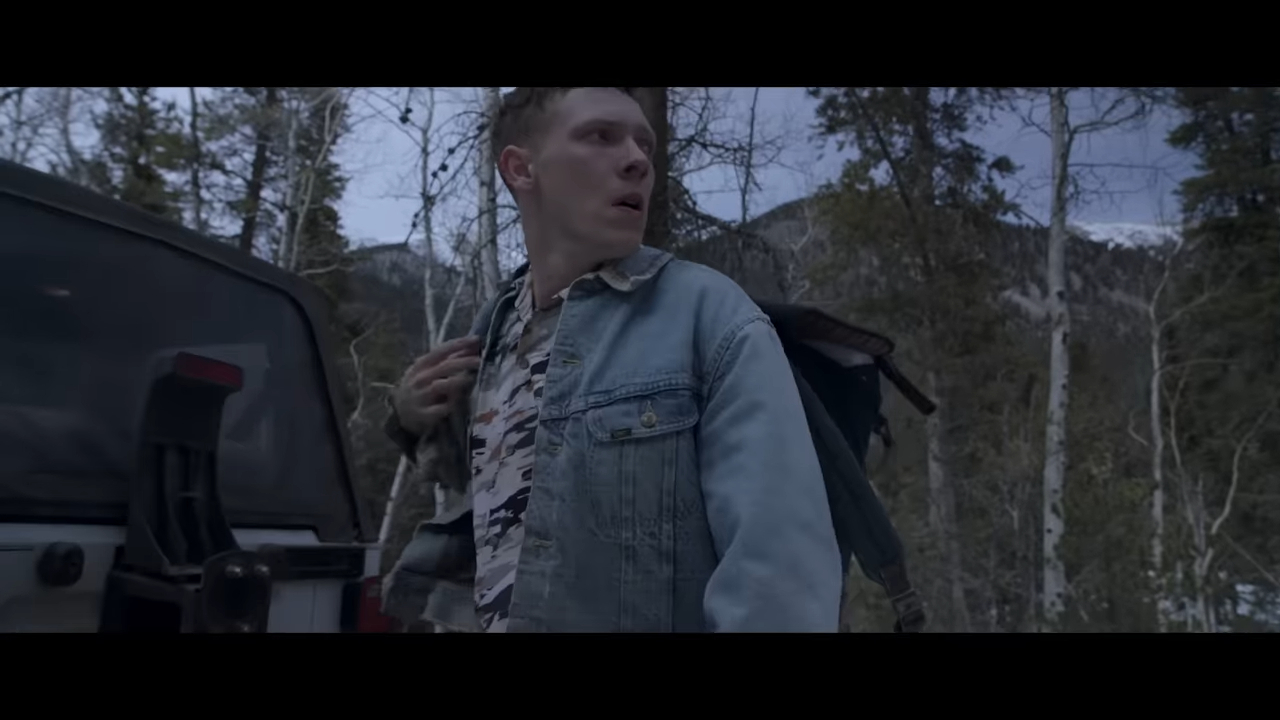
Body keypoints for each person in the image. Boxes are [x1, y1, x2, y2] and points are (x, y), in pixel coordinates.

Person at [381, 87, 841, 632]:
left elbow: (778, 571)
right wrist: (413, 420)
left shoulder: (709, 315)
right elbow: (489, 492)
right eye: (601, 136)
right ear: (521, 169)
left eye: (644, 144)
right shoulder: (495, 327)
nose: (638, 160)